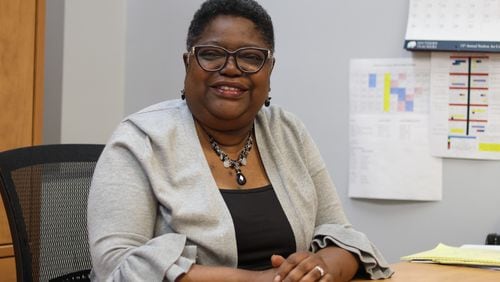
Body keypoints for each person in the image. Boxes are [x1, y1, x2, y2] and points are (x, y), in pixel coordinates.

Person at [87, 0, 394, 281]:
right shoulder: (141, 140)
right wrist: (255, 280)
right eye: (212, 54)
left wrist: (322, 267)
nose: (231, 69)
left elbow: (341, 234)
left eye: (250, 58)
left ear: (269, 70)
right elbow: (116, 265)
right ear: (187, 64)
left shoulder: (287, 132)